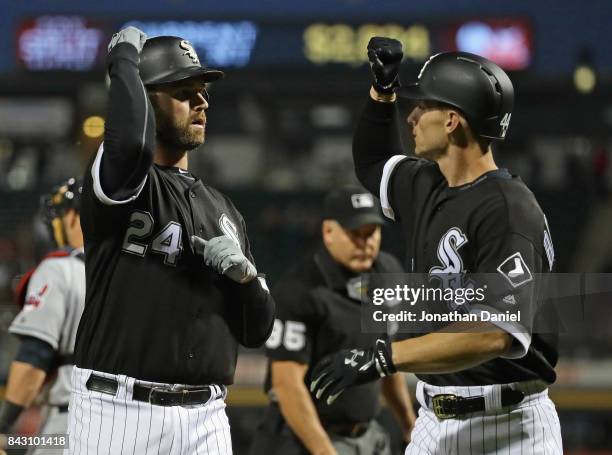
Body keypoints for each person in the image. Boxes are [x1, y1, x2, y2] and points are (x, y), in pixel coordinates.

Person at [310, 38, 562, 454]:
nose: (411, 116)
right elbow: (372, 162)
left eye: (422, 106)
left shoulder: (509, 209)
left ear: (451, 120)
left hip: (508, 424)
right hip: (433, 422)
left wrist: (383, 357)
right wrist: (381, 93)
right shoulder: (427, 183)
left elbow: (495, 333)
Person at [67, 27, 275, 454]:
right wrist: (123, 60)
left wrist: (247, 283)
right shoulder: (121, 181)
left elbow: (257, 331)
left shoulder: (224, 211)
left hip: (208, 418)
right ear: (144, 101)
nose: (201, 102)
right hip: (118, 411)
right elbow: (130, 143)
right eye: (184, 92)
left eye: (202, 92)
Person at [250, 186, 416, 455]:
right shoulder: (301, 289)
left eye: (371, 232)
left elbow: (386, 359)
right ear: (328, 232)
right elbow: (286, 385)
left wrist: (410, 426)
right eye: (354, 234)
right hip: (302, 439)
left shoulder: (388, 272)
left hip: (368, 435)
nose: (365, 242)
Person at [0, 178, 85, 455]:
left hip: (70, 422)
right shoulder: (132, 274)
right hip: (134, 425)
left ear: (75, 215)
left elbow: (34, 358)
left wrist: (3, 426)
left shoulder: (60, 269)